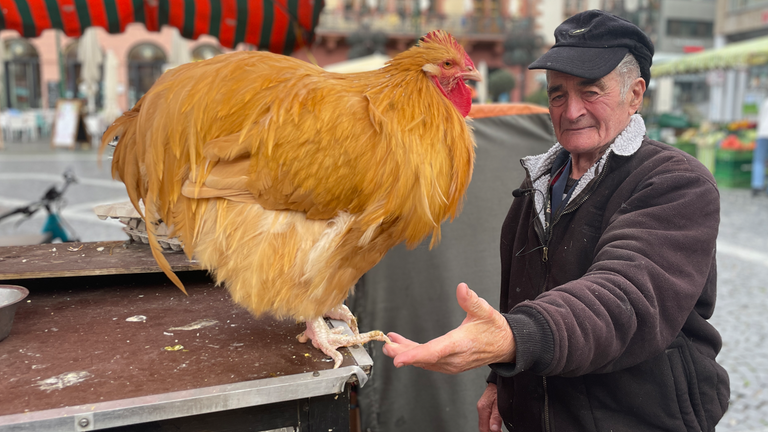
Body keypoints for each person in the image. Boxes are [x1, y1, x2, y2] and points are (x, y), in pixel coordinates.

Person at [383, 10, 730, 432]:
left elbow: (625, 297)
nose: (571, 111)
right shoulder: (538, 185)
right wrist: (500, 382)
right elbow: (519, 299)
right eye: (558, 94)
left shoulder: (676, 182)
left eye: (591, 91)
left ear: (635, 94)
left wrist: (513, 338)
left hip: (638, 419)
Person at [752, 97, 768, 196]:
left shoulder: (765, 101)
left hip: (762, 133)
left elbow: (760, 118)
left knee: (759, 160)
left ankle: (757, 185)